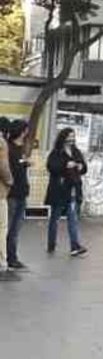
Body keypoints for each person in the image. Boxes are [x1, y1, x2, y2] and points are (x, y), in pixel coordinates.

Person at [46, 128, 88, 257]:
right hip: (59, 190)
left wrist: (81, 167)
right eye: (69, 137)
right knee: (55, 218)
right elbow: (51, 167)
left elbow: (83, 166)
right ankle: (51, 244)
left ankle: (75, 246)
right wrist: (65, 165)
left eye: (73, 137)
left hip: (73, 189)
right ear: (63, 138)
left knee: (72, 218)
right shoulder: (56, 152)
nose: (71, 139)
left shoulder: (76, 151)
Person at [4, 118, 31, 273]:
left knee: (16, 228)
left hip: (22, 191)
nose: (27, 132)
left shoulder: (21, 148)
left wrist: (25, 163)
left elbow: (20, 166)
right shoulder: (8, 148)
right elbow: (8, 168)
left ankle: (12, 257)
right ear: (22, 131)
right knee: (7, 227)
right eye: (26, 130)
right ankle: (7, 257)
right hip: (11, 193)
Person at [0, 118, 15, 281]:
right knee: (2, 227)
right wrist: (10, 181)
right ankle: (2, 261)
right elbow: (3, 166)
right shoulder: (1, 143)